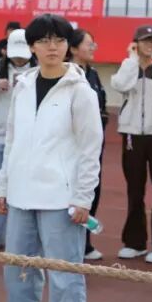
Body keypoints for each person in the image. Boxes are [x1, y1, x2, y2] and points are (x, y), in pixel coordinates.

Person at [0, 13, 103, 302]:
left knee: (65, 279)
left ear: (68, 45)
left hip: (60, 200)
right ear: (32, 46)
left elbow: (90, 148)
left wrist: (83, 197)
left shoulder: (80, 90)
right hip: (20, 196)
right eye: (44, 40)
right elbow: (12, 139)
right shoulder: (22, 86)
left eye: (59, 40)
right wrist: (3, 186)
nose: (52, 47)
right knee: (18, 274)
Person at [110, 24, 152, 263]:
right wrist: (131, 60)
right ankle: (135, 242)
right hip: (132, 135)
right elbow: (121, 85)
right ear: (135, 43)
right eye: (145, 40)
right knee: (134, 190)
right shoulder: (128, 67)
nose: (150, 45)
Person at [0, 28, 35, 251]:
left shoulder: (38, 71)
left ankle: (21, 237)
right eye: (15, 54)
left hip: (30, 140)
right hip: (0, 138)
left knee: (27, 188)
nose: (19, 59)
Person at [67, 28, 109, 261]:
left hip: (93, 146)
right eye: (88, 44)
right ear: (73, 48)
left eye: (94, 44)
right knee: (70, 191)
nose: (93, 48)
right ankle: (69, 243)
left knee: (92, 189)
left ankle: (84, 242)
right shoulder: (68, 76)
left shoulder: (93, 74)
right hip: (71, 147)